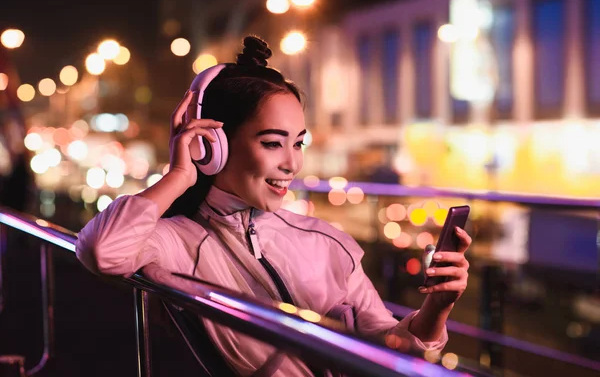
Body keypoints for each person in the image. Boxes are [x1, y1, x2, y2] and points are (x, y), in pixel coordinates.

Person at [76, 36, 472, 376]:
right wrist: (179, 174)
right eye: (271, 143)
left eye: (297, 142)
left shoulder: (328, 242)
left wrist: (435, 308)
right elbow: (102, 251)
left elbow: (388, 350)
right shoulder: (174, 241)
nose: (292, 162)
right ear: (211, 145)